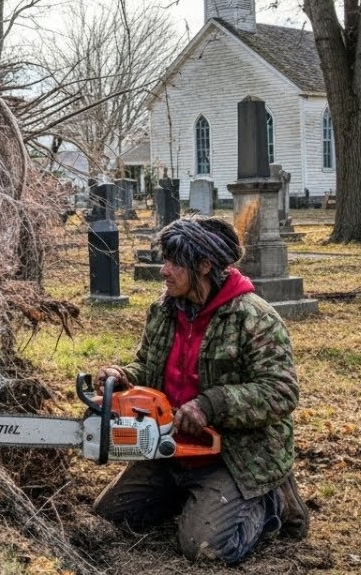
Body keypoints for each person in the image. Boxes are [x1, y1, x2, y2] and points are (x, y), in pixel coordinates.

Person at [92, 215, 308, 564]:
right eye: (165, 260)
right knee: (110, 515)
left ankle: (271, 499)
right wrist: (122, 376)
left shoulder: (253, 317)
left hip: (234, 456)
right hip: (171, 447)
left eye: (175, 262)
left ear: (205, 266)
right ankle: (194, 498)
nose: (164, 271)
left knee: (206, 549)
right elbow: (148, 365)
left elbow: (281, 391)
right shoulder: (164, 311)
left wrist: (212, 405)